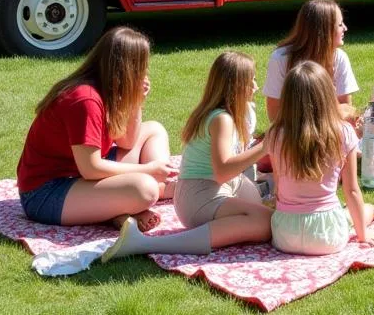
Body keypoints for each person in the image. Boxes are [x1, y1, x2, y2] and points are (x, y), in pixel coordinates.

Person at [102, 51, 273, 263]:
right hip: (199, 195)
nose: (256, 86)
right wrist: (266, 147)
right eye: (251, 80)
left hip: (217, 186)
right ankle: (144, 243)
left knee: (260, 207)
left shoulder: (233, 113)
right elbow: (222, 171)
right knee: (264, 222)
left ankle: (225, 223)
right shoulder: (221, 119)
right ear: (236, 86)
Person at [16, 26, 174, 230]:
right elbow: (90, 169)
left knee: (154, 129)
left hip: (79, 176)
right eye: (142, 66)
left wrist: (136, 102)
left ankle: (128, 205)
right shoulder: (85, 100)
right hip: (46, 193)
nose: (145, 72)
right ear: (127, 69)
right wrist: (148, 170)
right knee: (146, 189)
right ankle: (150, 193)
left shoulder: (103, 88)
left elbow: (127, 142)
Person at [268, 60, 374, 254]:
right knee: (367, 210)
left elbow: (279, 186)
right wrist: (363, 235)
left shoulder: (275, 135)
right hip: (327, 235)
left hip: (284, 235)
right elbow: (352, 190)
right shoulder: (344, 132)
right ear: (327, 96)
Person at [263, 0, 359, 123]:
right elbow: (274, 114)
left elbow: (347, 110)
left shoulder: (340, 57)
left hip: (329, 129)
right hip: (292, 132)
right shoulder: (280, 58)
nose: (345, 28)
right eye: (340, 24)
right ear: (324, 30)